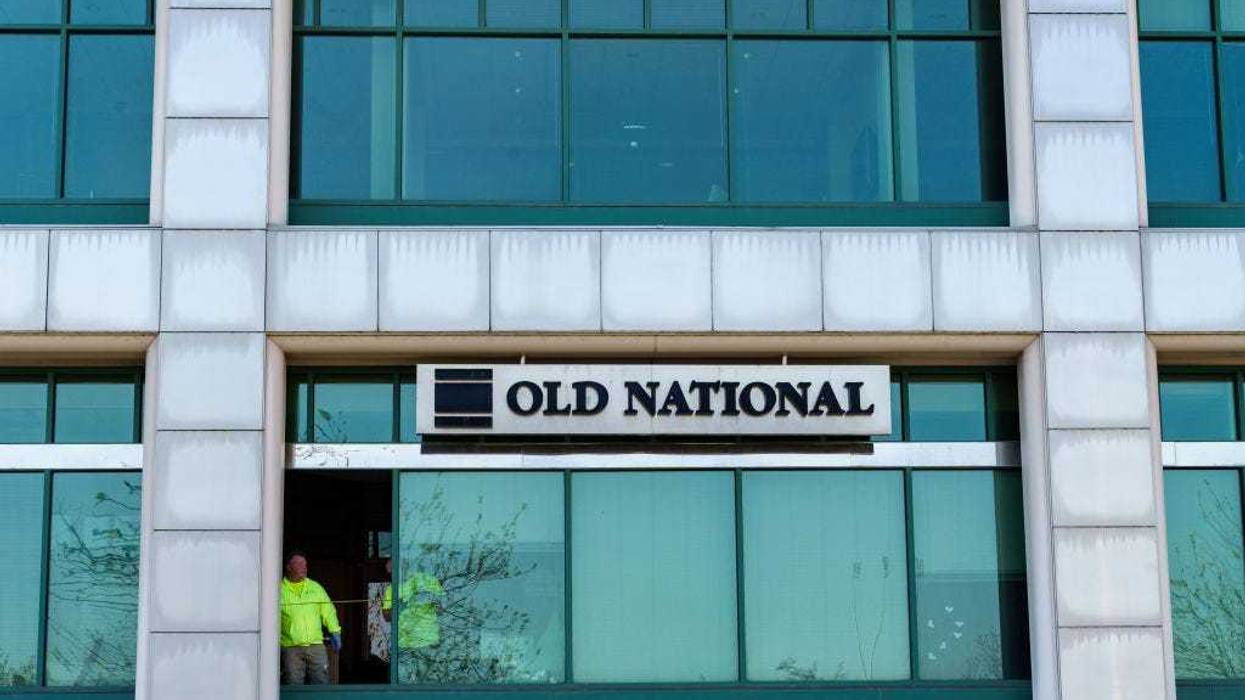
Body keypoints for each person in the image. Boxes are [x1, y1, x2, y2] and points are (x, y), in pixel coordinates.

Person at [280, 552, 341, 685]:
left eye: (305, 564)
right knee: (293, 686)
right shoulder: (279, 590)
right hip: (291, 648)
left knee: (321, 684)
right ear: (289, 567)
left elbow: (328, 611)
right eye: (300, 564)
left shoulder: (315, 588)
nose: (304, 567)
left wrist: (335, 631)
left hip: (316, 645)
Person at [381, 559, 445, 652]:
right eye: (390, 572)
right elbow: (387, 616)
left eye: (392, 570)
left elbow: (441, 604)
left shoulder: (422, 580)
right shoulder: (392, 589)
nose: (391, 574)